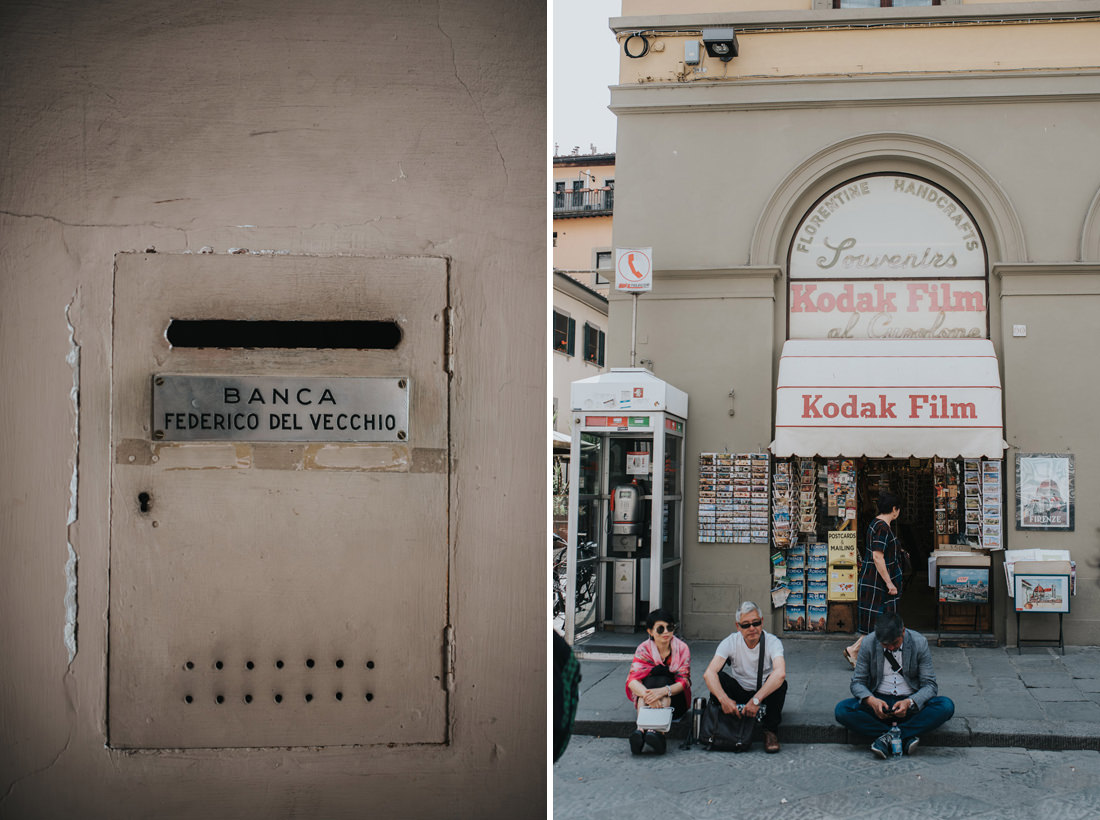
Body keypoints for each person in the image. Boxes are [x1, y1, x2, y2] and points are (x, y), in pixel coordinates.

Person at [834, 613, 955, 758]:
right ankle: (904, 735)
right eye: (885, 644)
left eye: (895, 643)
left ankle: (887, 737)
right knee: (842, 710)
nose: (891, 648)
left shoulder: (919, 642)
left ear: (903, 631)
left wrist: (909, 702)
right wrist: (871, 700)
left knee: (946, 706)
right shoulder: (868, 643)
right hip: (879, 703)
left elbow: (930, 685)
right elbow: (857, 683)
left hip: (910, 704)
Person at [702, 601, 786, 753]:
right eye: (746, 625)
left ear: (762, 622)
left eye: (756, 623)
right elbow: (709, 673)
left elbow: (780, 672)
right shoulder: (730, 642)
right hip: (739, 690)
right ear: (738, 626)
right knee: (718, 678)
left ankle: (770, 731)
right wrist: (724, 699)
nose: (752, 628)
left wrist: (756, 700)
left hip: (763, 693)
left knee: (780, 684)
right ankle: (724, 724)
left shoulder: (773, 642)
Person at [844, 490, 904, 668]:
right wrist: (889, 583)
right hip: (878, 583)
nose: (898, 513)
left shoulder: (874, 524)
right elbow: (878, 557)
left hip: (874, 580)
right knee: (882, 621)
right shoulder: (882, 527)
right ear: (894, 509)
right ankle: (857, 651)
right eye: (898, 509)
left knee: (880, 621)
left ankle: (855, 650)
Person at [625, 608, 692, 755]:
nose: (666, 632)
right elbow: (632, 681)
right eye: (661, 629)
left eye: (670, 627)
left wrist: (662, 691)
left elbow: (683, 682)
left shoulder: (682, 649)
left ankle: (652, 731)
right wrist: (649, 695)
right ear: (650, 631)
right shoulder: (643, 649)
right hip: (649, 699)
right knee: (647, 686)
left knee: (662, 680)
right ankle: (645, 731)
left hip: (676, 699)